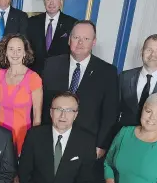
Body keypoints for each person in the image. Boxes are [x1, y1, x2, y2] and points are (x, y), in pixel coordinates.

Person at [41, 20, 119, 163]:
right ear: (69, 39)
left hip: (87, 142)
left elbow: (110, 113)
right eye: (76, 38)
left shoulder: (107, 72)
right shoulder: (51, 64)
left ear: (93, 42)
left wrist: (101, 144)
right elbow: (44, 103)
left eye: (86, 39)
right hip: (52, 138)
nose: (80, 43)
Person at [0, 33, 43, 157]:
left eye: (19, 49)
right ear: (6, 52)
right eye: (11, 49)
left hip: (22, 134)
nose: (15, 53)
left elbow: (37, 116)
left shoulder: (34, 78)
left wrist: (34, 142)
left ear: (25, 52)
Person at [27, 0, 77, 74]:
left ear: (61, 1)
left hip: (59, 75)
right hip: (33, 74)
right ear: (44, 2)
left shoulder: (72, 23)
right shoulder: (32, 22)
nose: (51, 3)